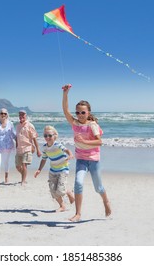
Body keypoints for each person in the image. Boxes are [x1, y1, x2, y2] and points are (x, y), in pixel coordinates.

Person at [62, 84, 111, 221]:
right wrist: (66, 93)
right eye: (77, 112)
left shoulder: (92, 125)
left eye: (83, 112)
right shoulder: (75, 123)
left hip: (93, 159)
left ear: (88, 112)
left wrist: (84, 141)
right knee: (78, 182)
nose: (80, 115)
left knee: (98, 188)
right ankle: (78, 213)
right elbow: (65, 110)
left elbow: (99, 142)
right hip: (81, 160)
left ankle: (106, 201)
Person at [34, 126, 75, 212]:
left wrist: (70, 155)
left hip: (63, 169)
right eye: (45, 136)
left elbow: (67, 150)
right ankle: (62, 206)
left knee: (60, 191)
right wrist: (39, 170)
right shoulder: (44, 147)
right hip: (53, 171)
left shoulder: (57, 145)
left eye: (49, 135)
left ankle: (69, 192)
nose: (47, 137)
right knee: (53, 191)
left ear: (55, 136)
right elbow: (44, 159)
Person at [0, 108, 16, 185]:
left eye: (5, 113)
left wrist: (19, 142)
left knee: (6, 162)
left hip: (8, 146)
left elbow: (13, 134)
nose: (3, 115)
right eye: (2, 113)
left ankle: (6, 178)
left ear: (7, 115)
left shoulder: (10, 124)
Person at [15, 109, 41, 185]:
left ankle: (23, 181)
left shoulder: (30, 125)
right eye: (20, 115)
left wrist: (38, 150)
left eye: (23, 115)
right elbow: (17, 137)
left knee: (24, 164)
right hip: (19, 149)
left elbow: (34, 138)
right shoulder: (17, 126)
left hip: (27, 147)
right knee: (18, 166)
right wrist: (16, 146)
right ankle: (24, 176)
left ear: (26, 116)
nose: (21, 116)